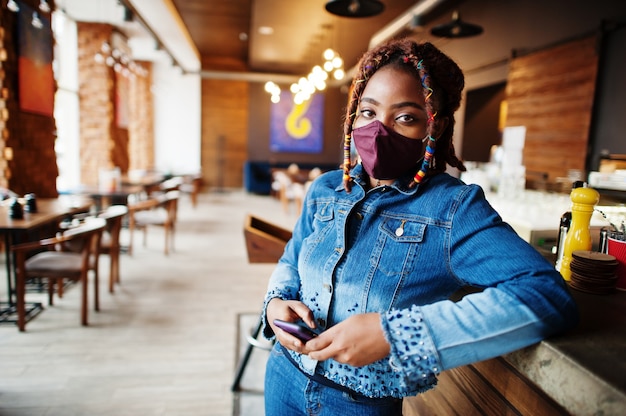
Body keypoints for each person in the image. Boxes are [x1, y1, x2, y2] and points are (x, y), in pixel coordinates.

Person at [262, 38, 578, 415]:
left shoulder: (453, 209)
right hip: (283, 374)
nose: (379, 130)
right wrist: (275, 305)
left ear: (436, 125)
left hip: (356, 404)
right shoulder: (326, 189)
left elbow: (546, 295)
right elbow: (292, 258)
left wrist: (394, 334)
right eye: (368, 112)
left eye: (406, 117)